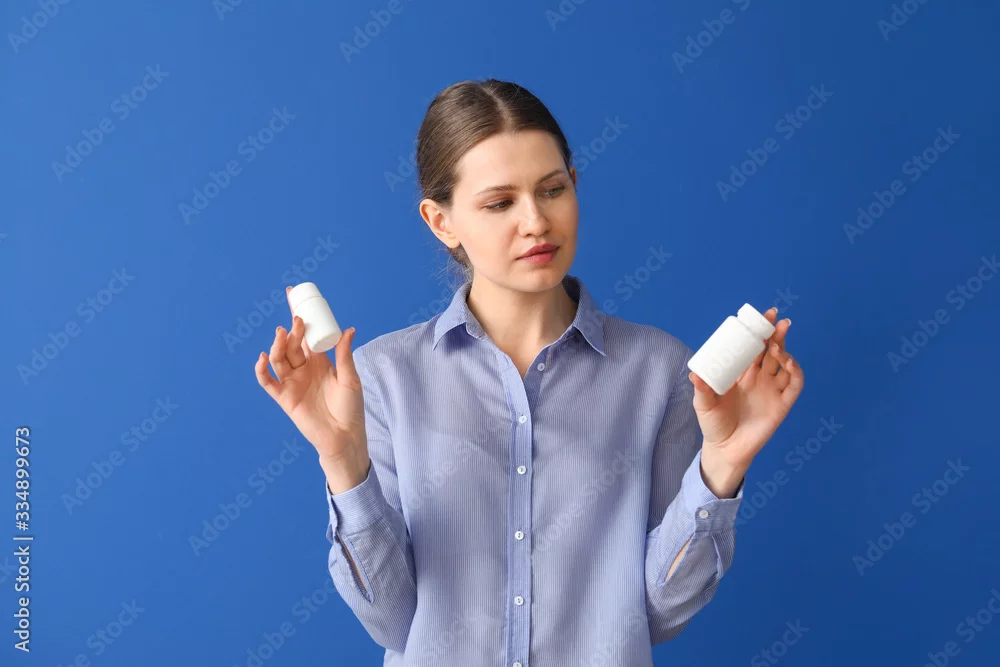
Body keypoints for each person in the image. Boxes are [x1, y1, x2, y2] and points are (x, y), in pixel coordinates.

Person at [254, 79, 804, 666]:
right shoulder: (383, 378)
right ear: (441, 221)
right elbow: (394, 621)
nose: (536, 221)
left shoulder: (659, 370)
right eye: (500, 203)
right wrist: (342, 460)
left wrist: (723, 463)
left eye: (553, 189)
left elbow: (659, 614)